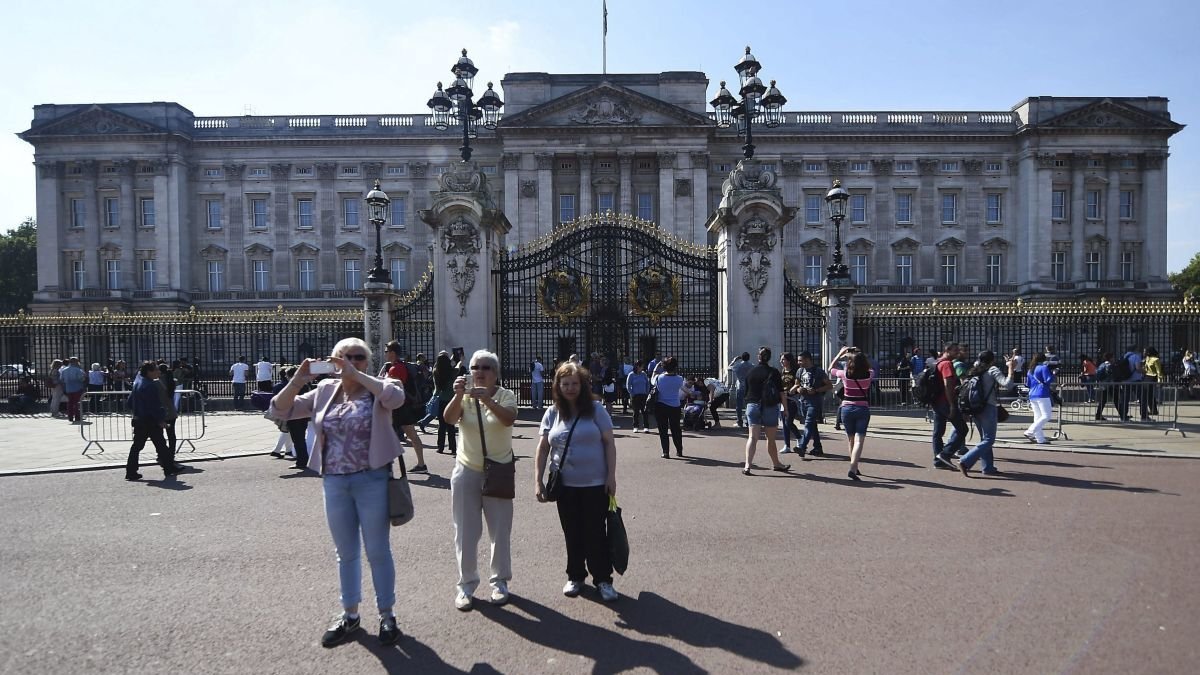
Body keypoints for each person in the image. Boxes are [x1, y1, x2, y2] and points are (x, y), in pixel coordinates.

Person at [270, 337, 407, 647]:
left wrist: (356, 375)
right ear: (332, 362)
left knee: (377, 550)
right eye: (344, 357)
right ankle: (350, 615)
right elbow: (280, 410)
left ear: (366, 361)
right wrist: (298, 380)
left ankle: (387, 615)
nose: (352, 361)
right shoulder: (324, 392)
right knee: (345, 553)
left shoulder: (379, 385)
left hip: (371, 479)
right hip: (334, 482)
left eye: (359, 357)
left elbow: (395, 399)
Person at [534, 361, 619, 602]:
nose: (570, 388)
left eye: (574, 384)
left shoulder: (596, 409)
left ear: (582, 386)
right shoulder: (552, 413)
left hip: (595, 483)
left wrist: (611, 476)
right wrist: (538, 481)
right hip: (565, 486)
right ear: (558, 387)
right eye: (565, 384)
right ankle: (575, 576)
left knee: (596, 534)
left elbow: (609, 444)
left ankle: (603, 579)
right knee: (572, 532)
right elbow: (542, 449)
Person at [443, 349, 518, 611]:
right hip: (467, 470)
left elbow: (508, 419)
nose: (480, 371)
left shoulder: (506, 395)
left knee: (500, 530)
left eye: (486, 367)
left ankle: (499, 581)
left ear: (495, 373)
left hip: (497, 470)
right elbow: (449, 419)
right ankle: (466, 584)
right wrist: (457, 395)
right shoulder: (463, 397)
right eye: (475, 367)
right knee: (465, 531)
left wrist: (488, 401)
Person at [958, 350, 1016, 477]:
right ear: (992, 360)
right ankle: (965, 461)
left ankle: (988, 467)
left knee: (984, 439)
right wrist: (1011, 368)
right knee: (989, 439)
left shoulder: (974, 369)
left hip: (975, 407)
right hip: (988, 408)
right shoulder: (992, 369)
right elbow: (1008, 385)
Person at [126, 361, 184, 481]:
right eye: (156, 370)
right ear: (149, 372)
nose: (158, 372)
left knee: (140, 446)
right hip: (150, 420)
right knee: (160, 444)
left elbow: (129, 402)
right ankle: (168, 468)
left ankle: (131, 471)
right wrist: (160, 419)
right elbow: (154, 406)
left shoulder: (138, 383)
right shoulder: (150, 385)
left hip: (140, 419)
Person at [828, 347, 875, 481]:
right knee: (860, 439)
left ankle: (853, 465)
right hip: (862, 408)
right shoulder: (869, 374)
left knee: (851, 439)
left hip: (847, 408)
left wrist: (841, 353)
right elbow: (870, 367)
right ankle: (853, 467)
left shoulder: (844, 374)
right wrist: (859, 354)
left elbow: (830, 368)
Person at [742, 347, 790, 476]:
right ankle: (776, 463)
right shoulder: (774, 372)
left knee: (752, 437)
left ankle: (747, 465)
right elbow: (781, 393)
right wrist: (785, 409)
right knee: (771, 438)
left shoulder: (751, 372)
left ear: (758, 357)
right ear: (769, 357)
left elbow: (746, 391)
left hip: (752, 405)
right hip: (769, 406)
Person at [382, 342, 428, 473]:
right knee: (411, 434)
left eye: (386, 351)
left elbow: (391, 390)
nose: (385, 353)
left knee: (386, 435)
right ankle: (421, 464)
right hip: (405, 406)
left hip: (398, 408)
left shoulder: (395, 369)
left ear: (392, 353)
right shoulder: (398, 366)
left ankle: (386, 468)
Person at [930, 342, 968, 468]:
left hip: (936, 401)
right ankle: (945, 454)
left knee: (938, 432)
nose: (957, 353)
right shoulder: (946, 364)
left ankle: (938, 460)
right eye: (955, 350)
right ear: (948, 350)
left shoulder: (937, 362)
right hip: (945, 402)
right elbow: (948, 385)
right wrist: (952, 404)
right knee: (962, 429)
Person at [794, 351, 831, 458]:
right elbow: (796, 385)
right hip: (803, 401)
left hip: (814, 401)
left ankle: (802, 446)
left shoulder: (818, 371)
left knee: (808, 424)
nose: (799, 363)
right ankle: (817, 447)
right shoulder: (799, 371)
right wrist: (798, 389)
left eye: (800, 360)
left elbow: (829, 385)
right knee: (812, 425)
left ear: (807, 359)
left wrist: (816, 390)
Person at [651, 356, 686, 458]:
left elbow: (652, 380)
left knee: (663, 430)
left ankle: (665, 451)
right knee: (676, 429)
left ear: (664, 367)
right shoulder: (679, 379)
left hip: (661, 406)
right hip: (675, 406)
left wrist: (655, 369)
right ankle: (679, 450)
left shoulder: (659, 378)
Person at [431, 351, 459, 455]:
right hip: (451, 400)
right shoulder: (452, 372)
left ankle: (440, 447)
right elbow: (458, 366)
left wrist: (440, 360)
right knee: (451, 425)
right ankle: (453, 447)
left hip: (441, 400)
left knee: (441, 426)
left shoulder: (436, 372)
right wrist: (454, 359)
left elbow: (436, 390)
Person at [1023, 353, 1054, 444]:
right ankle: (1030, 431)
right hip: (1042, 393)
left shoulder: (1030, 370)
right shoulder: (1043, 367)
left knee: (1037, 417)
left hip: (1032, 394)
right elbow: (1048, 380)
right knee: (1046, 416)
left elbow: (1028, 384)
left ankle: (1040, 439)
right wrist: (1053, 373)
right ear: (1043, 359)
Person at [777, 353, 804, 453]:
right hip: (783, 399)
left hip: (792, 399)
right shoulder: (782, 372)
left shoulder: (795, 372)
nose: (781, 361)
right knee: (784, 423)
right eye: (781, 359)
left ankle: (799, 437)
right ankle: (787, 445)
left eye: (783, 359)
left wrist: (792, 391)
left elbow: (798, 384)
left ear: (789, 360)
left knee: (788, 422)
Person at [625, 360, 651, 433]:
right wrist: (632, 393)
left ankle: (646, 427)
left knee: (645, 412)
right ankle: (635, 426)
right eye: (641, 366)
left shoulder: (643, 374)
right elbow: (628, 385)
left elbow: (647, 383)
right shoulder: (631, 374)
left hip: (644, 395)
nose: (643, 368)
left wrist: (647, 392)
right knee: (636, 412)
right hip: (635, 396)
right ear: (637, 366)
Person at [730, 352, 753, 427]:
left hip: (740, 386)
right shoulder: (752, 366)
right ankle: (748, 421)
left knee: (739, 405)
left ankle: (739, 421)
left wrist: (734, 360)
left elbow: (729, 367)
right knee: (748, 404)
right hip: (749, 386)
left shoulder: (738, 365)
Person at [61, 357, 87, 423]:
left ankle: (70, 416)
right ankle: (77, 416)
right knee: (77, 403)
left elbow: (62, 379)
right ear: (76, 362)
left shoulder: (64, 370)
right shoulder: (78, 370)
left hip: (68, 388)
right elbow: (81, 379)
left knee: (70, 403)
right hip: (77, 388)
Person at [1141, 346, 1162, 419]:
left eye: (1145, 351)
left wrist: (1159, 380)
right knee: (1147, 394)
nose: (1143, 353)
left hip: (1153, 377)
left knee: (1149, 394)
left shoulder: (1156, 359)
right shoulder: (1147, 358)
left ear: (1148, 352)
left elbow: (1159, 371)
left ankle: (1154, 410)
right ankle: (1152, 409)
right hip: (1146, 376)